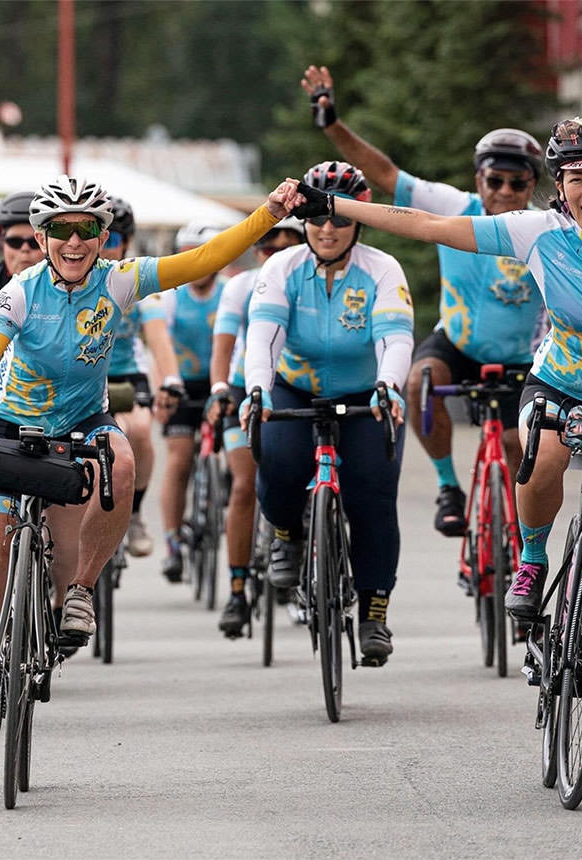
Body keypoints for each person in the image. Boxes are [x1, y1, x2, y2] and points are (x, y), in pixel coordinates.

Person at [290, 116, 582, 754]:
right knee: (538, 457)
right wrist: (334, 205)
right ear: (559, 188)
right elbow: (427, 224)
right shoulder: (536, 232)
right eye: (577, 179)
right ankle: (531, 557)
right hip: (558, 385)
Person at [0, 174, 300, 742]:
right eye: (61, 230)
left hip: (80, 421)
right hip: (7, 422)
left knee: (123, 463)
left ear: (105, 236)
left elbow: (205, 257)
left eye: (88, 229)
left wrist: (268, 214)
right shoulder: (18, 293)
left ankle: (82, 592)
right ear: (43, 235)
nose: (75, 242)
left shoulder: (120, 281)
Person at [301, 65, 546, 538]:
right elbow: (385, 175)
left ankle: (521, 544)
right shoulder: (453, 207)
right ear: (479, 180)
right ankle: (449, 487)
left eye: (518, 184)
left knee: (518, 446)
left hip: (524, 359)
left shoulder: (544, 228)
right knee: (419, 380)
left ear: (531, 186)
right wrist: (332, 124)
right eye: (495, 181)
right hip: (457, 343)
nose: (504, 193)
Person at [240, 161, 414, 665]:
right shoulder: (282, 268)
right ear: (303, 221)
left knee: (373, 495)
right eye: (318, 218)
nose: (329, 229)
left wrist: (389, 386)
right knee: (278, 460)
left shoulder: (383, 269)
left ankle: (375, 612)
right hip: (297, 388)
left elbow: (395, 336)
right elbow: (264, 337)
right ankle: (287, 536)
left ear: (357, 221)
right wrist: (258, 389)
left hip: (366, 393)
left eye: (340, 218)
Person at [208, 216, 305, 637]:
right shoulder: (240, 286)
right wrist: (218, 388)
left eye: (289, 245)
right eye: (268, 246)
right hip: (246, 386)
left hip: (298, 388)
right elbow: (224, 346)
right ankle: (237, 588)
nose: (276, 254)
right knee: (244, 483)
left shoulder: (312, 279)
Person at [154, 221, 230, 583]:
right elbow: (158, 347)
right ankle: (171, 540)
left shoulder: (230, 292)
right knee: (180, 458)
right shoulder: (170, 295)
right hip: (182, 385)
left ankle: (222, 495)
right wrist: (162, 389)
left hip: (221, 383)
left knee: (236, 455)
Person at [101, 196, 169, 557]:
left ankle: (137, 513)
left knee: (140, 430)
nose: (106, 250)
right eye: (102, 239)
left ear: (125, 244)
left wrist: (169, 380)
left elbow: (158, 338)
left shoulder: (135, 280)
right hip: (82, 374)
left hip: (125, 373)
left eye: (113, 242)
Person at [0, 191, 44, 300]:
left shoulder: (69, 284)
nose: (25, 249)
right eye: (15, 242)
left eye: (34, 242)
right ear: (2, 243)